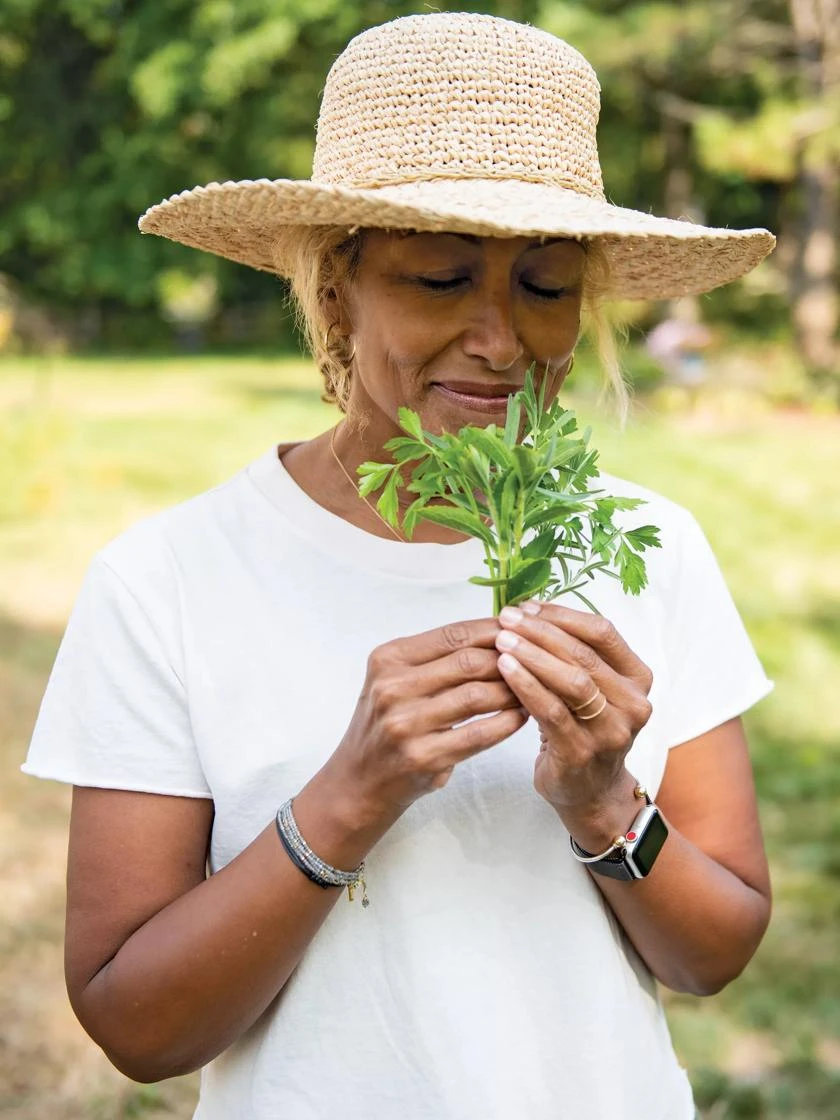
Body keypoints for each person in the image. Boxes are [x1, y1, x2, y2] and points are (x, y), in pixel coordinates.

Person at [23, 13, 776, 1120]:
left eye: (546, 285)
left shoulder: (646, 548)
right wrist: (348, 797)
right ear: (338, 288)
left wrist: (604, 801)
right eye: (440, 277)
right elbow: (136, 1026)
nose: (502, 339)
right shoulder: (169, 580)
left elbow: (717, 949)